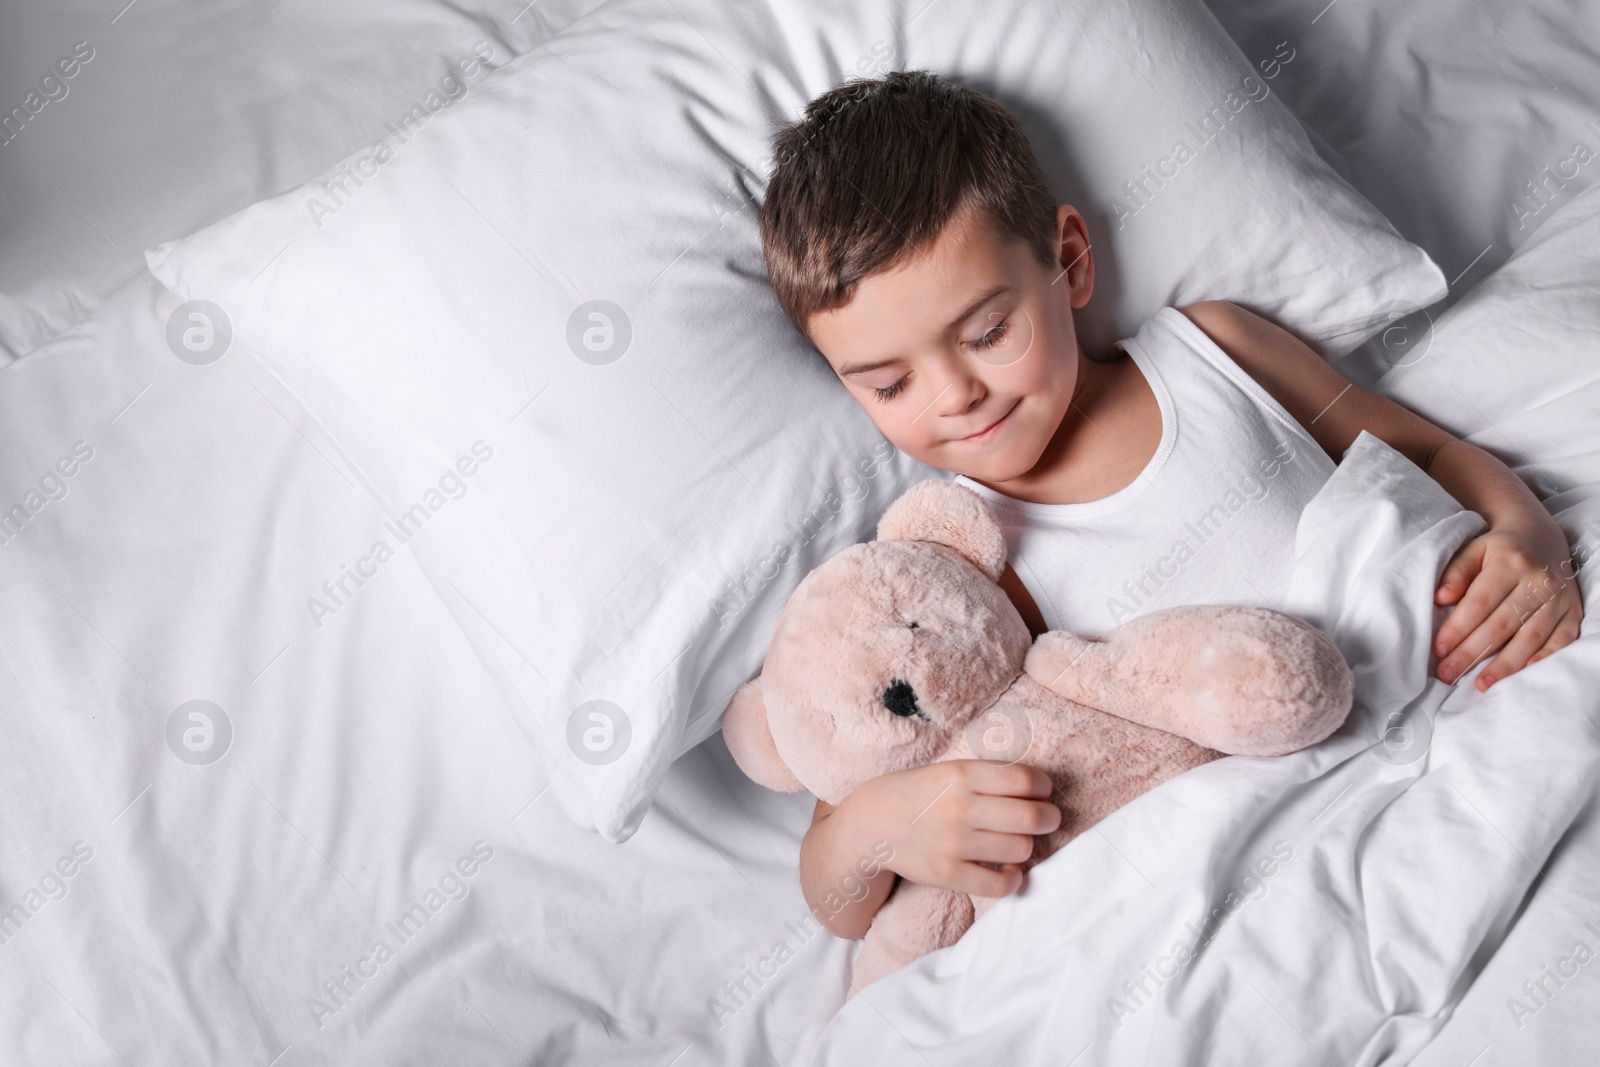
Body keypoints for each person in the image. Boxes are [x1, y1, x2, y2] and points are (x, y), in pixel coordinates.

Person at [756, 69, 1586, 944]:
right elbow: (836, 893)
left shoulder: (1213, 350)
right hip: (1274, 864)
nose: (955, 395)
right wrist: (879, 825)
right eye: (890, 384)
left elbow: (1424, 452)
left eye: (990, 333)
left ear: (1068, 261)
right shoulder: (955, 567)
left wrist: (1528, 531)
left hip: (1459, 709)